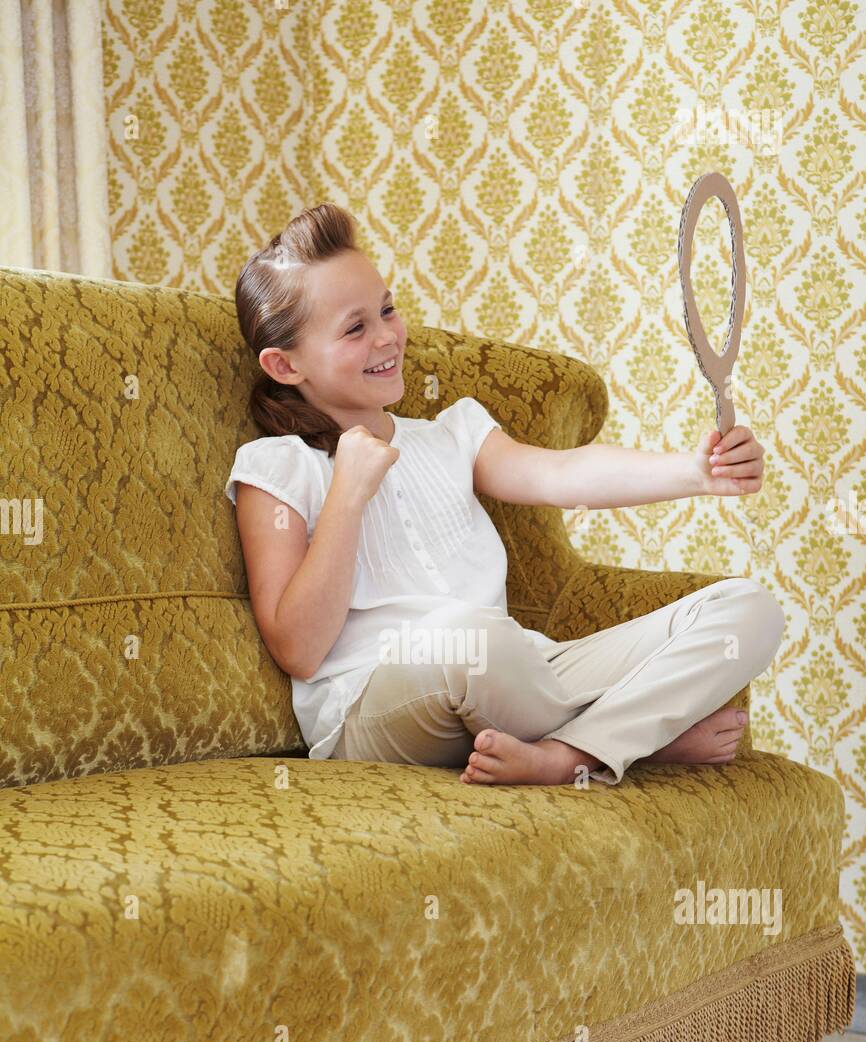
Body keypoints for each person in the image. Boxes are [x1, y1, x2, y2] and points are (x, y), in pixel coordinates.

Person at [225, 202, 784, 788]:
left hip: (515, 670)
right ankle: (641, 737)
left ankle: (569, 756)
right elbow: (299, 649)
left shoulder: (454, 434)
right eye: (355, 328)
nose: (388, 336)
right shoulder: (277, 466)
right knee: (471, 636)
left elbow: (561, 475)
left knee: (746, 610)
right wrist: (348, 492)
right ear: (285, 364)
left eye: (387, 310)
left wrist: (693, 474)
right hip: (378, 702)